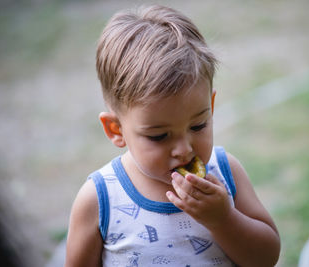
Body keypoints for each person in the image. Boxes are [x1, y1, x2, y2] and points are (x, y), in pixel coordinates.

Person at [65, 5, 280, 267]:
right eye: (159, 136)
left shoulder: (225, 173)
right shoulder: (99, 199)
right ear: (116, 130)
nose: (184, 150)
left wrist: (223, 219)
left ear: (211, 107)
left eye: (198, 125)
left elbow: (266, 258)